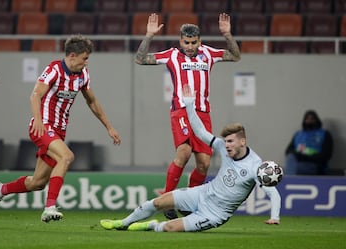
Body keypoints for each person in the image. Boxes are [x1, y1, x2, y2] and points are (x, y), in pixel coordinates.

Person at [99, 84, 281, 233]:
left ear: (243, 142)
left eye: (231, 142)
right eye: (225, 141)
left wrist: (275, 217)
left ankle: (152, 225)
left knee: (169, 228)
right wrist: (189, 105)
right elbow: (200, 131)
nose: (226, 145)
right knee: (158, 202)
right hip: (203, 193)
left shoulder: (255, 166)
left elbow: (272, 192)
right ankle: (122, 223)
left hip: (214, 214)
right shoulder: (222, 147)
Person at [0, 34, 121, 222]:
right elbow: (35, 95)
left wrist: (109, 127)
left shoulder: (82, 75)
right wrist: (38, 120)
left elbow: (92, 101)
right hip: (42, 127)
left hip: (58, 132)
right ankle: (49, 207)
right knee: (67, 157)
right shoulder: (54, 69)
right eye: (85, 58)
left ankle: (0, 189)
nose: (86, 62)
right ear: (72, 56)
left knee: (38, 183)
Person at [134, 13, 241, 219]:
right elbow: (140, 59)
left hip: (202, 114)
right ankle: (166, 200)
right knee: (183, 152)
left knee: (204, 164)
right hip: (181, 111)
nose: (190, 46)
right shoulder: (172, 55)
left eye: (193, 42)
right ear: (180, 41)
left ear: (199, 41)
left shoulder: (208, 54)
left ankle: (189, 201)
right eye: (186, 42)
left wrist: (227, 34)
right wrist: (148, 36)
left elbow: (235, 56)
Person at [285, 110, 333, 175]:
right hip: (298, 161)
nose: (309, 121)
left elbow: (326, 154)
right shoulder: (298, 134)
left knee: (293, 168)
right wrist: (298, 154)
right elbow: (288, 150)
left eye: (312, 119)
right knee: (290, 158)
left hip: (315, 164)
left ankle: (288, 180)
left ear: (316, 120)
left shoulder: (324, 134)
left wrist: (307, 157)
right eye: (307, 119)